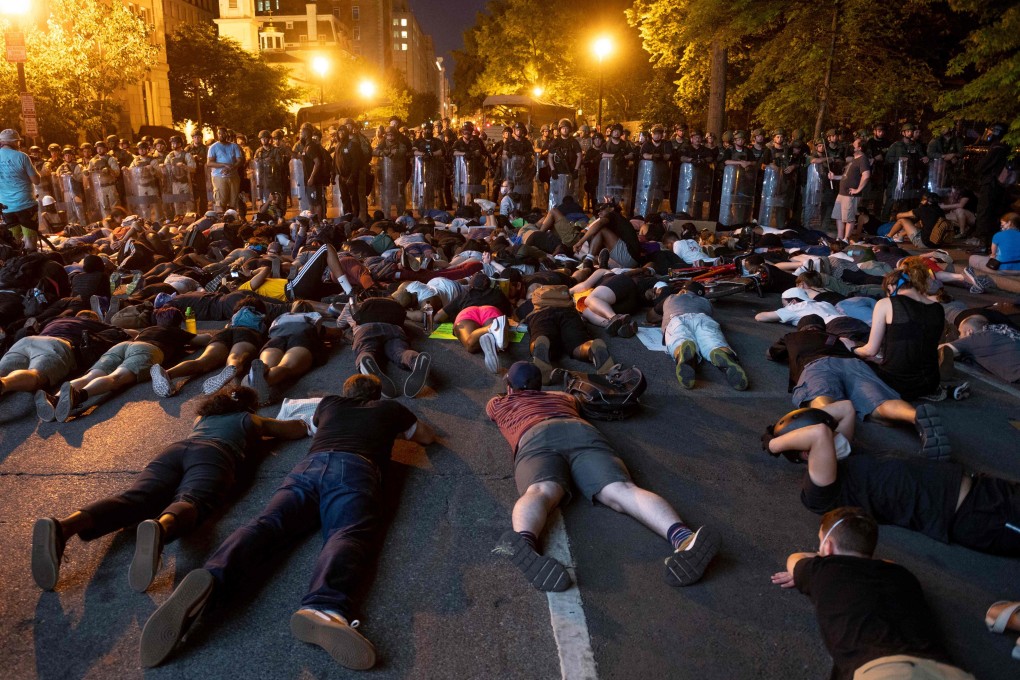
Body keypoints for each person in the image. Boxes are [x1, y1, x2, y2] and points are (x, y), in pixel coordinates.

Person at [139, 373, 436, 670]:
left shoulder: (330, 404)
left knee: (267, 524)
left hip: (309, 465)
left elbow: (317, 425)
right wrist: (393, 429)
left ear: (345, 391)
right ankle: (324, 607)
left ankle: (213, 577)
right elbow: (425, 436)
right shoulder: (390, 408)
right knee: (347, 532)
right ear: (377, 394)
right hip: (355, 468)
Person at [31, 386, 307, 592]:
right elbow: (290, 430)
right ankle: (161, 529)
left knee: (136, 498)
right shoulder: (251, 420)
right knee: (195, 498)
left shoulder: (202, 420)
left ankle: (64, 526)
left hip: (174, 451)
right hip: (215, 454)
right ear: (249, 406)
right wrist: (302, 422)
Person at [487, 361, 719, 592]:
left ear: (510, 388)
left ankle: (525, 543)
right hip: (580, 429)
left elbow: (494, 406)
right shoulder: (563, 398)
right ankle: (683, 538)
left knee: (541, 490)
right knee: (622, 490)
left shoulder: (500, 403)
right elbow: (576, 399)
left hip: (535, 434)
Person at [764, 404, 1020, 558]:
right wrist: (774, 444)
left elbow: (844, 408)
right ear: (808, 453)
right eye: (831, 436)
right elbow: (819, 432)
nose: (835, 435)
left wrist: (792, 422)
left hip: (983, 486)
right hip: (979, 514)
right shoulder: (819, 490)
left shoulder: (845, 456)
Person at [770, 507, 976, 680]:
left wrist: (820, 561)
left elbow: (794, 559)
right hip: (947, 671)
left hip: (886, 672)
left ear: (829, 547)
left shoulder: (824, 571)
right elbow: (890, 563)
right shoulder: (904, 576)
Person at [766, 314, 950, 459]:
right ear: (822, 327)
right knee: (879, 403)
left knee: (822, 400)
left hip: (816, 365)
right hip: (852, 364)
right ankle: (914, 416)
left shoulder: (792, 336)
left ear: (802, 327)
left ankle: (831, 440)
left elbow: (772, 354)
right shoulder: (834, 338)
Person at [41, 306, 211, 422]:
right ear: (178, 322)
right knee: (116, 378)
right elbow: (204, 339)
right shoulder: (176, 331)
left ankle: (54, 398)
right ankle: (80, 395)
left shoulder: (148, 329)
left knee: (91, 375)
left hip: (123, 346)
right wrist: (187, 337)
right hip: (148, 349)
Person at [851, 259, 945, 400]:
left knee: (854, 365)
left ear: (891, 287)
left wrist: (853, 350)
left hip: (895, 383)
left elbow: (871, 350)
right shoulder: (938, 308)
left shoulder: (886, 304)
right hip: (930, 383)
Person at [649, 281, 749, 390]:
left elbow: (651, 317)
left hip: (676, 319)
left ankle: (682, 351)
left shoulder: (671, 298)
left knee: (678, 338)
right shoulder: (706, 302)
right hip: (703, 318)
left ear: (683, 291)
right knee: (712, 340)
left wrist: (665, 314)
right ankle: (721, 352)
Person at [0, 128, 42, 252]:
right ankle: (31, 262)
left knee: (15, 241)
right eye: (18, 142)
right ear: (14, 142)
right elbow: (36, 181)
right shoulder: (22, 157)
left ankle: (17, 263)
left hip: (7, 207)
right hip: (26, 205)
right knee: (30, 241)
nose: (19, 144)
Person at [826, 134, 870, 241]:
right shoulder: (854, 160)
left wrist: (858, 189)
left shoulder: (863, 159)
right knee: (839, 216)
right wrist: (834, 177)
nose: (851, 146)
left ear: (859, 148)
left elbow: (866, 175)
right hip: (842, 193)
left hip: (850, 195)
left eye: (854, 144)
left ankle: (846, 239)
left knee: (849, 217)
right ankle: (840, 237)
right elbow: (845, 176)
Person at [206, 127, 243, 212]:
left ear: (227, 134)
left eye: (223, 133)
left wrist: (231, 168)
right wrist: (224, 165)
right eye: (220, 134)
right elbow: (209, 163)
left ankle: (231, 219)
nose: (222, 135)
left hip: (233, 176)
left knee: (233, 201)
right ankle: (222, 220)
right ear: (217, 135)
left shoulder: (234, 146)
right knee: (220, 202)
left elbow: (240, 160)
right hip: (219, 176)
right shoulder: (213, 147)